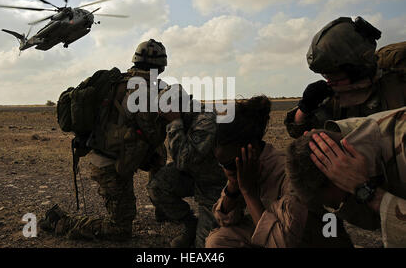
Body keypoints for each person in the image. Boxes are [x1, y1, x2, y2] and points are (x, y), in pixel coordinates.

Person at [38, 39, 168, 241]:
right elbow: (152, 133)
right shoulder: (146, 91)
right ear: (161, 67)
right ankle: (59, 220)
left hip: (107, 156)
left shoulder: (117, 82)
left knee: (159, 151)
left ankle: (162, 206)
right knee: (120, 230)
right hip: (110, 164)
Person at [205, 96, 353, 248]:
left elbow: (281, 243)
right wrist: (233, 187)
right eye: (221, 164)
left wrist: (248, 192)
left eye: (229, 164)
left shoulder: (287, 174)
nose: (226, 169)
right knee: (218, 241)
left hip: (314, 239)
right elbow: (224, 219)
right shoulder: (243, 169)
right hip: (280, 234)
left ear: (252, 150)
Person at [286, 107, 406, 247]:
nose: (351, 200)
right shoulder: (355, 137)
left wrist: (368, 193)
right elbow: (374, 220)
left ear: (341, 175)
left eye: (345, 198)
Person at [285, 17, 405, 139]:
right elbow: (299, 134)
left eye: (335, 75)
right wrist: (304, 109)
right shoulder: (334, 97)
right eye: (326, 75)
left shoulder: (397, 79)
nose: (330, 81)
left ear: (357, 69)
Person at [147, 84, 227, 248]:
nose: (164, 119)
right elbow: (179, 160)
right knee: (157, 187)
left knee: (204, 245)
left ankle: (211, 227)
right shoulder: (184, 118)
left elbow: (184, 161)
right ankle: (191, 225)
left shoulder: (205, 120)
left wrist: (175, 122)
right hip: (193, 175)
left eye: (166, 114)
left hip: (213, 185)